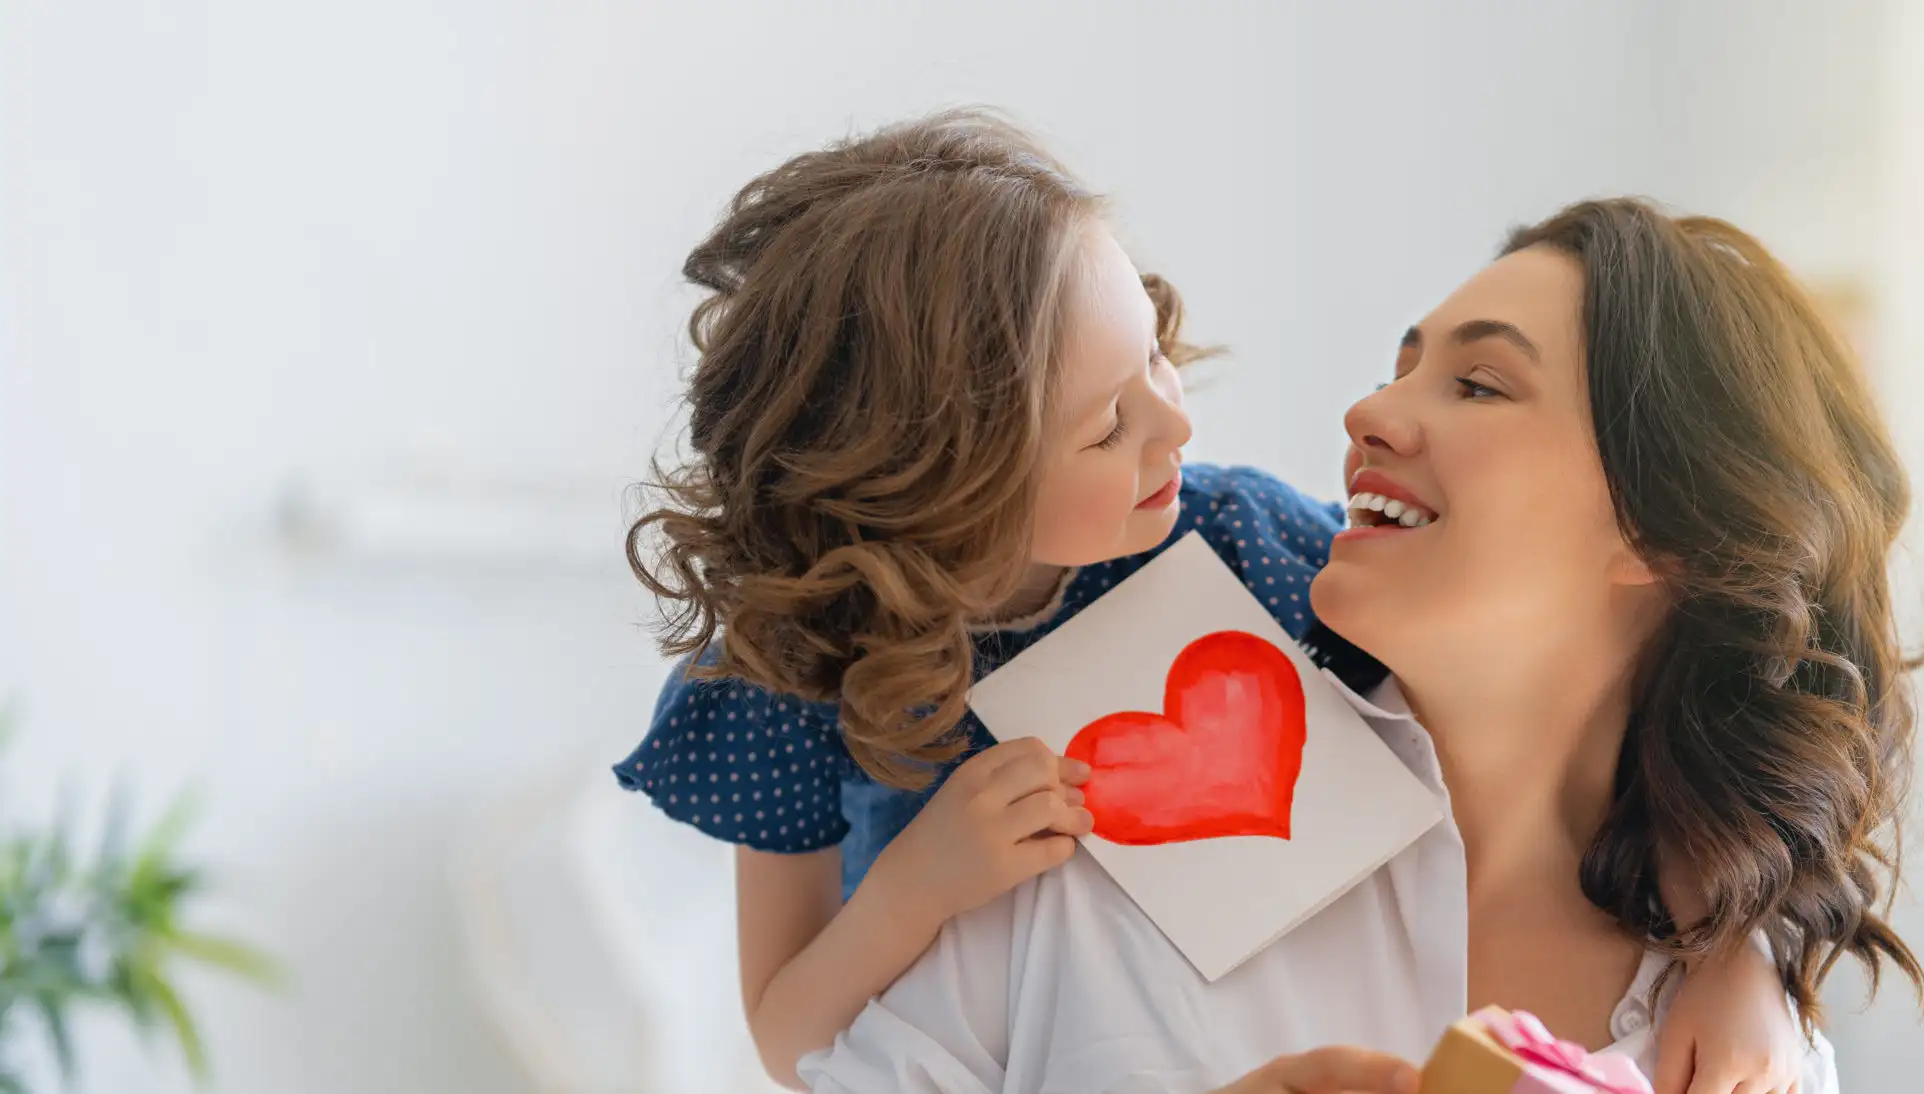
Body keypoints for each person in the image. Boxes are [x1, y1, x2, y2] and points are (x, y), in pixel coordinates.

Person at [613, 112, 1806, 1092]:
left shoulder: (1236, 546)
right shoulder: (790, 680)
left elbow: (1673, 740)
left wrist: (1743, 944)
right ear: (948, 485)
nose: (1178, 423)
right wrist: (921, 882)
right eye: (1105, 424)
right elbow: (792, 1040)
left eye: (1478, 382)